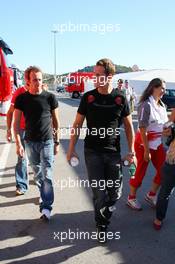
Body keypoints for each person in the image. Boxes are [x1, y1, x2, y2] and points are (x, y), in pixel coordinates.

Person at [67, 58, 135, 243]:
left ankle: (104, 211)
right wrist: (71, 149)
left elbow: (129, 127)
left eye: (98, 75)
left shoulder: (120, 98)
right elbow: (77, 124)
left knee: (115, 193)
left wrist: (132, 151)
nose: (94, 78)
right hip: (93, 152)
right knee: (98, 192)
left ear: (109, 77)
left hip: (113, 153)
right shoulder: (88, 97)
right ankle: (101, 224)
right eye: (94, 74)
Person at [13, 66, 60, 221]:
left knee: (47, 175)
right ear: (28, 81)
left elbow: (56, 122)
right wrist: (18, 144)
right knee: (38, 175)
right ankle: (43, 194)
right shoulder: (22, 99)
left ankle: (46, 207)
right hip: (30, 142)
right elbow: (16, 123)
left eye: (40, 79)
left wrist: (57, 141)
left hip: (47, 141)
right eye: (35, 80)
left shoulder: (50, 98)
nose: (38, 82)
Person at [127, 78, 168, 210]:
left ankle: (151, 195)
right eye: (161, 88)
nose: (163, 91)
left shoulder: (162, 105)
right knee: (140, 172)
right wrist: (146, 150)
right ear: (153, 88)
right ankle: (131, 198)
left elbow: (161, 126)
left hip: (157, 144)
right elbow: (143, 129)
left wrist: (166, 131)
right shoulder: (146, 105)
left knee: (164, 171)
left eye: (164, 88)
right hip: (143, 144)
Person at [6, 73, 29, 195]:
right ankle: (21, 185)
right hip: (22, 130)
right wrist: (9, 130)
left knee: (40, 160)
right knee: (22, 158)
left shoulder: (41, 91)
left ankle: (41, 182)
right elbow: (10, 112)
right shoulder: (19, 92)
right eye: (28, 79)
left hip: (38, 131)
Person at [153, 111, 175, 230]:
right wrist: (169, 128)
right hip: (173, 160)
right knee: (165, 191)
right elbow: (167, 127)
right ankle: (159, 218)